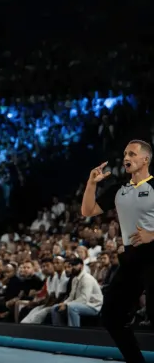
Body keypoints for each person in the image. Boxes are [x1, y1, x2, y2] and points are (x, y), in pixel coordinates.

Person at [81, 139, 154, 363]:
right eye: (125, 154)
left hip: (153, 255)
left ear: (145, 159)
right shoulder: (119, 189)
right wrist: (91, 183)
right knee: (111, 316)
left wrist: (152, 234)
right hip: (131, 258)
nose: (126, 158)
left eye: (132, 154)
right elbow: (88, 211)